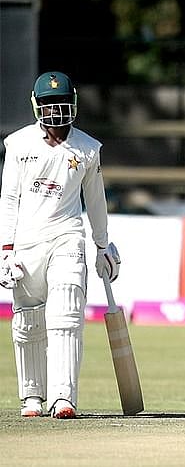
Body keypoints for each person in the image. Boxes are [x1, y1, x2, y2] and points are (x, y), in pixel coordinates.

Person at [0, 71, 121, 419]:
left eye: (62, 103)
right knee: (28, 321)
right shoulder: (18, 145)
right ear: (37, 106)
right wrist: (5, 250)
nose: (56, 111)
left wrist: (102, 245)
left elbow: (95, 201)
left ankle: (63, 397)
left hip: (67, 235)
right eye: (50, 104)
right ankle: (32, 397)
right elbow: (9, 199)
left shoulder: (87, 149)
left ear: (74, 105)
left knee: (66, 308)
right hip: (26, 241)